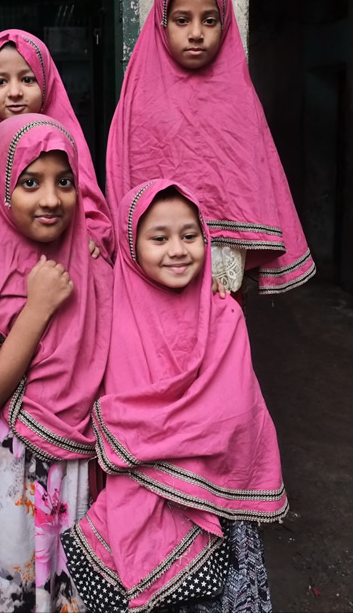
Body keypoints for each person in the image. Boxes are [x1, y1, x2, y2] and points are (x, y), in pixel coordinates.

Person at [61, 180, 287, 613]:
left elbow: (235, 411)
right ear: (130, 245)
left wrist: (147, 436)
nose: (178, 250)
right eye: (159, 238)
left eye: (190, 235)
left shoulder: (224, 313)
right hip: (135, 496)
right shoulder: (110, 310)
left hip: (213, 498)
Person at [0, 113, 113, 612]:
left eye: (65, 182)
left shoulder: (95, 267)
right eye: (30, 182)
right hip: (12, 479)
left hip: (89, 473)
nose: (50, 199)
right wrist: (37, 308)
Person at [105, 0, 315, 297]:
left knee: (220, 323)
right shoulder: (139, 95)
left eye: (209, 20)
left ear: (224, 25)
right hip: (154, 245)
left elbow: (254, 176)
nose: (196, 33)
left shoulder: (239, 97)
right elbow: (124, 169)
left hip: (222, 252)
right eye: (182, 20)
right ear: (162, 25)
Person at [0, 29, 113, 266]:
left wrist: (92, 236)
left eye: (27, 79)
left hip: (62, 265)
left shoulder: (66, 148)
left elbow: (92, 213)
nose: (15, 93)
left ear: (46, 85)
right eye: (0, 81)